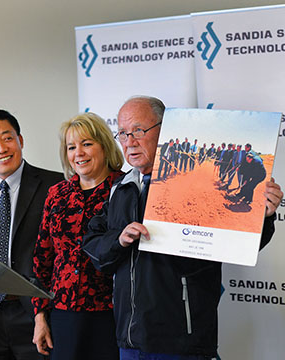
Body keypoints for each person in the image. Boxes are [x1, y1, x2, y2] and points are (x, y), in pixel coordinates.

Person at [83, 96, 283, 359]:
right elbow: (94, 246)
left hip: (182, 339)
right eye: (122, 132)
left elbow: (239, 243)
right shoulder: (120, 189)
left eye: (138, 131)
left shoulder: (196, 184)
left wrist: (263, 216)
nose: (129, 141)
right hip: (130, 339)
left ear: (166, 130)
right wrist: (118, 240)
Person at [0, 109, 64, 360]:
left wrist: (43, 312)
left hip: (37, 315)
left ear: (20, 140)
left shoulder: (56, 186)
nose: (0, 148)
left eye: (7, 138)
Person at [32, 113, 123, 360]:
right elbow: (42, 261)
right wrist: (40, 316)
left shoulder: (125, 189)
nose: (78, 153)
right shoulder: (57, 194)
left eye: (87, 144)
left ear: (104, 146)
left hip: (113, 314)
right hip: (62, 314)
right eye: (71, 147)